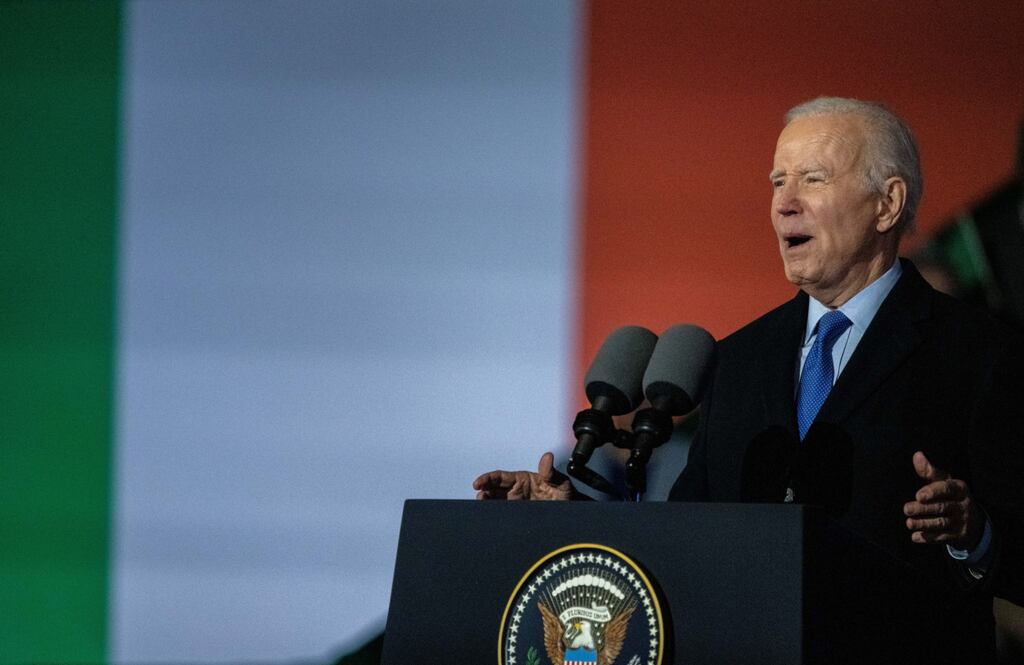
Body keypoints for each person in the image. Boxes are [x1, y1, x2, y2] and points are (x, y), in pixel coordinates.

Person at [473, 97, 1023, 658]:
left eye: (813, 179)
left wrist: (973, 535)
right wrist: (568, 521)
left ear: (887, 205)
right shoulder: (737, 359)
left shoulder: (979, 353)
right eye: (777, 182)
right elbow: (686, 542)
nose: (785, 204)